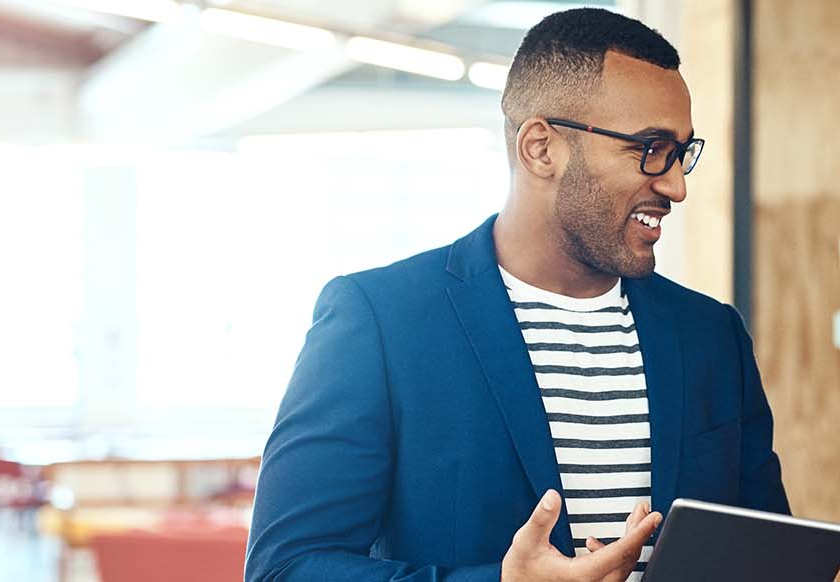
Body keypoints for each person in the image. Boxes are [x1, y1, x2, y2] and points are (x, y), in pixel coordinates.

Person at [244, 8, 789, 582]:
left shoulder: (711, 334)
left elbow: (766, 550)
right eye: (648, 148)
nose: (676, 185)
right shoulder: (380, 321)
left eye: (681, 153)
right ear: (541, 149)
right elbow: (287, 568)